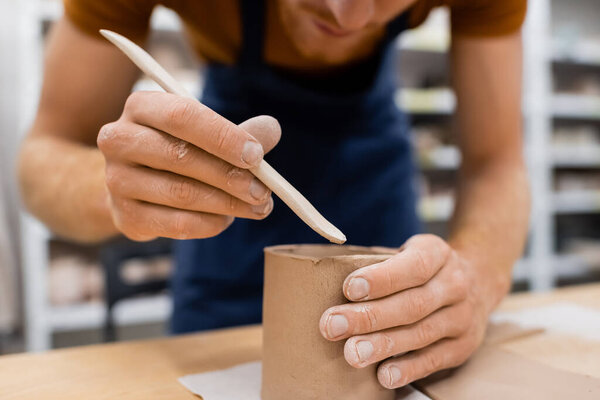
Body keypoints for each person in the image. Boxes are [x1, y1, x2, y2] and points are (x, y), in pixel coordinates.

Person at [18, 0, 529, 389]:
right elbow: (42, 158)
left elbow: (497, 164)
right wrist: (115, 193)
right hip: (226, 241)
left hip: (374, 177)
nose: (346, 13)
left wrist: (474, 279)